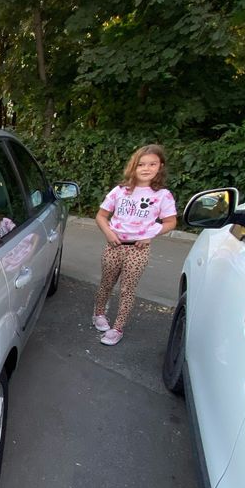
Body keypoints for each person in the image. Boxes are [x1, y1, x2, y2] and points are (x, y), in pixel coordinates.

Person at [92, 144, 177, 345]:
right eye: (141, 164)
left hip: (138, 250)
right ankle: (98, 313)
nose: (146, 168)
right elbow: (101, 216)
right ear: (133, 167)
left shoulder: (162, 195)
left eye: (152, 164)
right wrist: (108, 233)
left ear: (160, 166)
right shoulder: (120, 191)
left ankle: (117, 328)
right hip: (115, 246)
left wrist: (150, 235)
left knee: (127, 289)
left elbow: (171, 222)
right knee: (106, 283)